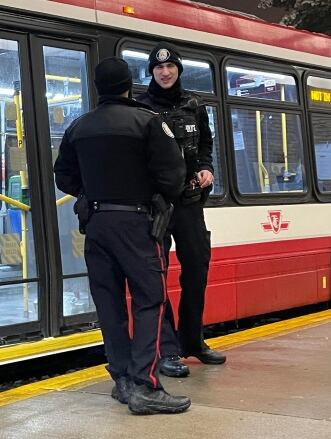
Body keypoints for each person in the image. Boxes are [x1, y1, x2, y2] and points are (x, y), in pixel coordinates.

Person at [54, 57, 189, 415]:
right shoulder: (148, 122)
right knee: (149, 300)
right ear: (129, 85)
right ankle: (146, 384)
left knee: (109, 304)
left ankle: (124, 381)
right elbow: (174, 177)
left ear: (98, 87)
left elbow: (63, 177)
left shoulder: (78, 127)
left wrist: (93, 191)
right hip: (137, 225)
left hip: (96, 225)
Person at [136, 43, 227, 378]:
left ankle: (193, 341)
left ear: (178, 70)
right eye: (158, 68)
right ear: (152, 72)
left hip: (189, 202)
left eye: (170, 67)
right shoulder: (140, 107)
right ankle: (167, 349)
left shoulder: (194, 104)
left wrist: (206, 168)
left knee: (197, 271)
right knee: (155, 277)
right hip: (157, 204)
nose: (164, 72)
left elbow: (205, 142)